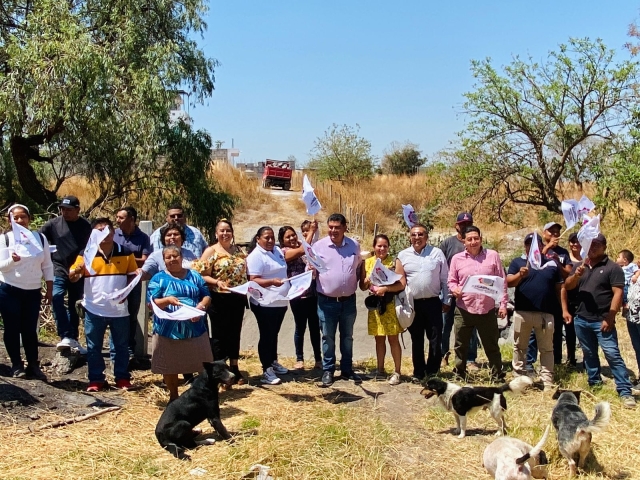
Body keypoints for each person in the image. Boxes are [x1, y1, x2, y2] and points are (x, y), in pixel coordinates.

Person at [563, 233, 636, 409]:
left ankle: (625, 392)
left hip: (602, 320)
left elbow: (618, 293)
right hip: (582, 319)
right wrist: (576, 276)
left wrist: (610, 317)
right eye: (591, 244)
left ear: (604, 247)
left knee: (612, 354)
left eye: (597, 244)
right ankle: (594, 382)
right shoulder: (582, 265)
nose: (593, 247)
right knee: (589, 354)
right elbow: (567, 285)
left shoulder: (612, 268)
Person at [69, 218, 138, 392]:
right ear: (93, 234)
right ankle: (96, 379)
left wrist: (126, 293)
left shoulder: (126, 251)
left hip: (119, 309)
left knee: (122, 346)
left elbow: (133, 276)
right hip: (94, 308)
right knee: (93, 346)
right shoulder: (87, 254)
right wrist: (76, 272)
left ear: (114, 232)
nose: (104, 233)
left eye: (108, 230)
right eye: (99, 230)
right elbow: (73, 276)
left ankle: (122, 378)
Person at [147, 245, 212, 400]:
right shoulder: (158, 278)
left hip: (194, 328)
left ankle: (201, 395)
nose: (172, 259)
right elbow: (151, 303)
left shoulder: (194, 276)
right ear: (163, 260)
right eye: (168, 257)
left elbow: (206, 295)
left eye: (175, 256)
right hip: (168, 330)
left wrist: (200, 307)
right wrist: (167, 300)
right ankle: (174, 396)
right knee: (170, 366)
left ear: (181, 257)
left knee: (203, 365)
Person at [448, 226, 508, 380]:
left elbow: (502, 281)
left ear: (481, 239)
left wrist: (503, 304)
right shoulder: (457, 259)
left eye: (476, 238)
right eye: (470, 239)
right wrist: (455, 289)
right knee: (460, 345)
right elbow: (451, 281)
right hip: (464, 308)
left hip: (486, 309)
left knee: (491, 345)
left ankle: (497, 374)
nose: (473, 242)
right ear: (463, 241)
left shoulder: (493, 256)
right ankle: (460, 373)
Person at [0, 204, 53, 379]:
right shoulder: (5, 239)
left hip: (32, 290)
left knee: (30, 329)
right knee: (12, 328)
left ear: (29, 218)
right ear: (10, 220)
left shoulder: (40, 238)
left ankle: (33, 365)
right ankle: (16, 364)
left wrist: (50, 287)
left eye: (23, 217)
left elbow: (46, 264)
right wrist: (12, 261)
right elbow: (1, 266)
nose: (20, 220)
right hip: (9, 289)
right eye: (16, 218)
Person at [507, 233, 563, 389]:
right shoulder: (518, 262)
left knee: (546, 348)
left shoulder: (551, 264)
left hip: (545, 313)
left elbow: (559, 288)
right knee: (520, 347)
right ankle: (519, 377)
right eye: (528, 244)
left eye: (535, 244)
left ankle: (547, 380)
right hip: (522, 313)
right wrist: (520, 274)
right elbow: (508, 283)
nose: (532, 247)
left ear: (541, 246)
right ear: (525, 246)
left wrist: (563, 309)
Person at [197, 219, 248, 385]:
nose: (225, 234)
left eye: (228, 230)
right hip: (219, 298)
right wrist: (216, 282)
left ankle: (234, 367)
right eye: (222, 231)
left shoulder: (238, 251)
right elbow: (201, 274)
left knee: (235, 332)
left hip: (237, 297)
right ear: (216, 233)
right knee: (219, 335)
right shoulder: (210, 251)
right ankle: (220, 369)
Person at [314, 213, 362, 387]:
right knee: (328, 337)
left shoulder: (354, 246)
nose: (333, 230)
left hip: (348, 301)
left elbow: (357, 268)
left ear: (345, 228)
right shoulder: (318, 247)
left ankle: (347, 369)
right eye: (331, 227)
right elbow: (311, 269)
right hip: (326, 301)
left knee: (347, 336)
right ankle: (328, 370)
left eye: (337, 227)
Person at [396, 225, 449, 381]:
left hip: (433, 303)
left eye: (420, 234)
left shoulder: (437, 253)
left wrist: (447, 299)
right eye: (413, 234)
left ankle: (433, 372)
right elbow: (400, 281)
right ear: (410, 237)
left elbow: (445, 279)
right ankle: (419, 372)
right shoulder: (403, 255)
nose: (417, 237)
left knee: (435, 338)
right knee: (416, 339)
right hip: (414, 305)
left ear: (426, 236)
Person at [40, 195, 92, 353]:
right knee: (56, 296)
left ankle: (73, 338)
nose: (65, 212)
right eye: (62, 209)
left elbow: (90, 247)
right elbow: (39, 239)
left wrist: (79, 265)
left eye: (69, 210)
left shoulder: (85, 226)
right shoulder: (53, 224)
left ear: (78, 209)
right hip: (58, 268)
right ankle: (65, 334)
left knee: (75, 305)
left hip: (77, 270)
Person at [246, 226, 290, 385]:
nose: (270, 241)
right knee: (267, 335)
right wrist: (271, 282)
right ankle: (266, 370)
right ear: (258, 239)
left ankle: (273, 361)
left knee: (274, 333)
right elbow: (254, 279)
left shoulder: (277, 250)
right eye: (267, 238)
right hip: (264, 303)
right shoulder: (256, 256)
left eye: (272, 237)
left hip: (280, 301)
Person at [360, 234, 406, 385]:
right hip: (374, 307)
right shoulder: (367, 263)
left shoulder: (394, 262)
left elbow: (401, 284)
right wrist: (366, 282)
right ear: (374, 247)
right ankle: (380, 370)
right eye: (379, 246)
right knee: (379, 339)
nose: (382, 248)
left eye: (385, 246)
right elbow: (362, 286)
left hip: (390, 305)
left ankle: (397, 372)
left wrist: (386, 288)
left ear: (388, 247)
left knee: (393, 339)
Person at [527, 221, 573, 367]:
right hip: (540, 299)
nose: (555, 234)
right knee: (534, 332)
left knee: (556, 332)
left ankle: (556, 361)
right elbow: (534, 262)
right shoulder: (538, 249)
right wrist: (546, 248)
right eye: (551, 232)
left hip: (557, 298)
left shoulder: (563, 253)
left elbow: (567, 273)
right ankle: (530, 362)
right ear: (544, 233)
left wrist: (557, 262)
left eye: (557, 232)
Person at [439, 212, 480, 370]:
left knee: (470, 326)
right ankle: (443, 355)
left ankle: (470, 359)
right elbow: (440, 266)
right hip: (449, 291)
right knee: (445, 325)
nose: (465, 226)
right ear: (456, 225)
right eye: (462, 224)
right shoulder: (447, 244)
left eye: (468, 223)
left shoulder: (475, 243)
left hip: (469, 293)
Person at [278, 224, 322, 371]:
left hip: (312, 293)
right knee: (300, 327)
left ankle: (318, 359)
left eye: (293, 235)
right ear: (282, 240)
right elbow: (303, 249)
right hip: (297, 296)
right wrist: (311, 231)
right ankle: (300, 359)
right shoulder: (284, 252)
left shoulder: (303, 246)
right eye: (287, 237)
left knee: (315, 328)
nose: (291, 238)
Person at [114, 206, 151, 357]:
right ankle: (116, 350)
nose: (117, 220)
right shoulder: (114, 234)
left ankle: (130, 351)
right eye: (117, 217)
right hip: (115, 280)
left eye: (121, 218)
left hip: (133, 282)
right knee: (115, 314)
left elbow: (144, 261)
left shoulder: (143, 238)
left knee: (131, 315)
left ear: (132, 220)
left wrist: (124, 258)